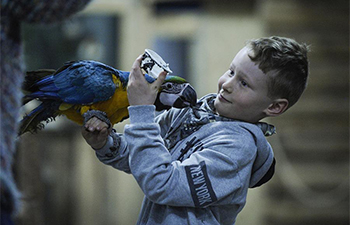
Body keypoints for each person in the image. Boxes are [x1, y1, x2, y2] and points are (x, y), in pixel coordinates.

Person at [82, 36, 309, 225]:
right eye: (231, 72)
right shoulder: (193, 112)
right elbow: (142, 157)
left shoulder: (236, 149)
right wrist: (106, 142)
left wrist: (142, 110)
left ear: (274, 107)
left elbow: (161, 184)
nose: (227, 84)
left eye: (244, 83)